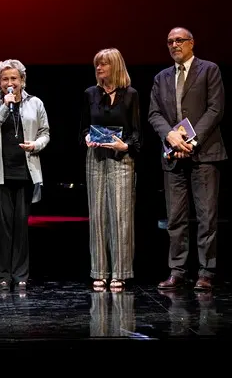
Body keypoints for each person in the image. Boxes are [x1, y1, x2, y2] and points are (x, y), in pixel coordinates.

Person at [148, 27, 227, 291]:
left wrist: (191, 140)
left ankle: (206, 271)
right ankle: (177, 271)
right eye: (169, 41)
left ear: (192, 43)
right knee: (176, 218)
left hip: (204, 153)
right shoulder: (161, 77)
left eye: (179, 40)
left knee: (206, 216)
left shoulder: (209, 70)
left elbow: (215, 108)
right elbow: (154, 113)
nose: (174, 45)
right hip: (172, 155)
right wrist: (170, 136)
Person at [0, 59, 50, 290]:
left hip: (25, 172)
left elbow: (45, 132)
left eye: (14, 79)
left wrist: (36, 145)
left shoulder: (35, 103)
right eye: (4, 79)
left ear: (22, 80)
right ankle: (2, 275)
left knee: (21, 225)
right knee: (2, 227)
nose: (9, 83)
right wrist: (4, 106)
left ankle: (20, 275)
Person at [80, 48, 141, 291]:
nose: (99, 68)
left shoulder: (131, 94)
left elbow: (137, 132)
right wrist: (86, 138)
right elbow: (84, 127)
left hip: (121, 158)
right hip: (95, 156)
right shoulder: (90, 94)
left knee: (121, 216)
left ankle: (121, 272)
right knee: (97, 215)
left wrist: (125, 145)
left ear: (115, 66)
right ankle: (99, 271)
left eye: (103, 64)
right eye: (97, 65)